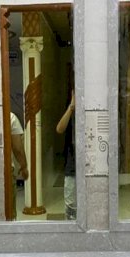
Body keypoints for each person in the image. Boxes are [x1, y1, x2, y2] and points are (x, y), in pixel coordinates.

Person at [56, 90, 76, 220]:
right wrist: (71, 107)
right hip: (72, 166)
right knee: (71, 208)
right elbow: (59, 129)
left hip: (91, 167)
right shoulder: (71, 112)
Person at [10, 112, 28, 219]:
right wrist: (24, 166)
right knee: (9, 213)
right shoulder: (10, 117)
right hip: (6, 172)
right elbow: (17, 148)